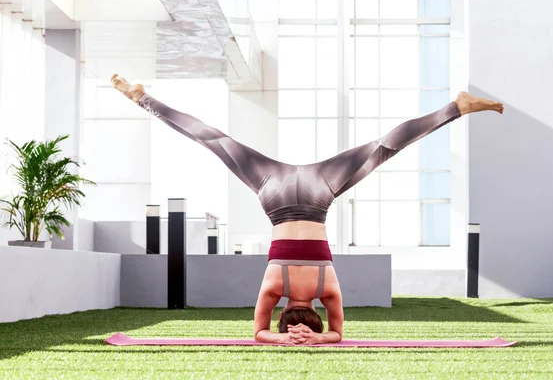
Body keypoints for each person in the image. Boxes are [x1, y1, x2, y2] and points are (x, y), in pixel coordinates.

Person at [110, 74, 503, 345]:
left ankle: (456, 107)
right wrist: (283, 338)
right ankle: (143, 98)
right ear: (284, 314)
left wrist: (319, 338)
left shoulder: (326, 291)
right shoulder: (273, 290)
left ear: (313, 311)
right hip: (275, 192)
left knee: (382, 148)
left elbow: (339, 334)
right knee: (215, 140)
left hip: (317, 194)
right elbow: (258, 334)